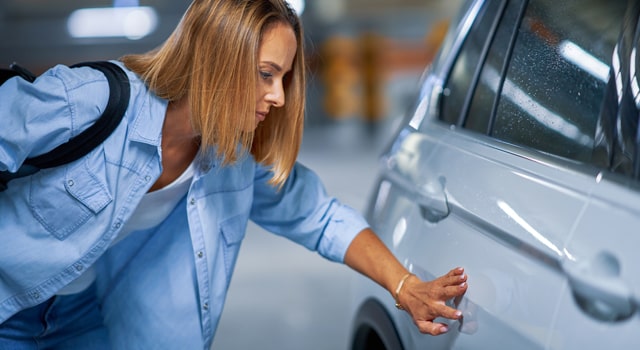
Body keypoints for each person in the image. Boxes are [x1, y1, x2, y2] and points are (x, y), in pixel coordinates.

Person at [0, 0, 468, 348]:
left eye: (284, 78)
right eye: (266, 74)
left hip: (83, 319)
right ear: (215, 60)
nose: (279, 96)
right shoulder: (90, 101)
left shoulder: (230, 157)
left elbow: (319, 216)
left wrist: (405, 286)